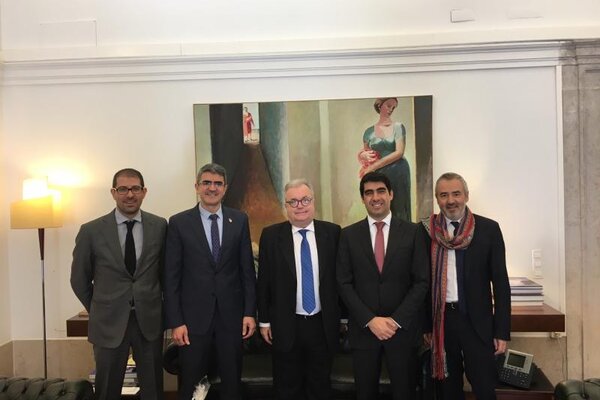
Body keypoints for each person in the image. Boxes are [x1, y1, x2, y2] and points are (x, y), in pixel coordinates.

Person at [70, 168, 167, 400]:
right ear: (113, 192)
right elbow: (79, 279)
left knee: (153, 390)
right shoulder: (91, 231)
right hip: (108, 323)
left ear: (144, 192)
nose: (129, 194)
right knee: (106, 391)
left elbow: (165, 274)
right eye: (123, 189)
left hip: (149, 322)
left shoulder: (160, 226)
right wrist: (99, 307)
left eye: (135, 188)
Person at [163, 163, 256, 400]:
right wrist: (176, 321)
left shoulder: (239, 220)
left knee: (231, 383)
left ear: (225, 188)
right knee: (192, 385)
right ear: (197, 186)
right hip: (192, 322)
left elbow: (247, 270)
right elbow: (171, 277)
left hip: (231, 319)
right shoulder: (179, 223)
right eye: (206, 183)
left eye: (217, 184)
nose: (212, 188)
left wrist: (249, 312)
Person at [337, 171, 429, 400]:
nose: (375, 197)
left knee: (404, 393)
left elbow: (421, 281)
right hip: (364, 332)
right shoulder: (348, 235)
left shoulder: (413, 232)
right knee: (365, 394)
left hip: (402, 332)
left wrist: (395, 321)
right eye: (369, 193)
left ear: (391, 195)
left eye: (381, 191)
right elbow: (344, 283)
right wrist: (370, 320)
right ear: (363, 198)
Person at [423, 172, 511, 400]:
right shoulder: (426, 232)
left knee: (484, 387)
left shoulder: (488, 229)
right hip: (442, 323)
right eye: (444, 195)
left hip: (478, 324)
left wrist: (501, 331)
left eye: (456, 194)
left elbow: (501, 283)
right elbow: (421, 283)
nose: (450, 200)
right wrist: (426, 326)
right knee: (448, 390)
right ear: (437, 198)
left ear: (466, 195)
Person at [257, 179, 342, 400]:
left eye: (305, 200)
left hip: (322, 324)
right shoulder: (271, 236)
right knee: (287, 388)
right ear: (285, 206)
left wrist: (343, 318)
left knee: (320, 387)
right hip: (286, 324)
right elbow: (264, 281)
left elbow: (341, 280)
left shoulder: (333, 233)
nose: (300, 206)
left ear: (313, 202)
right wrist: (264, 321)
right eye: (293, 201)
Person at [358, 97, 412, 222]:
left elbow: (399, 152)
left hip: (398, 171)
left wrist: (373, 167)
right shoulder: (368, 132)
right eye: (388, 105)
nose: (391, 109)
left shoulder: (398, 127)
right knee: (379, 207)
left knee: (399, 207)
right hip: (379, 174)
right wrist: (362, 155)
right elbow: (367, 155)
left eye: (393, 107)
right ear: (379, 105)